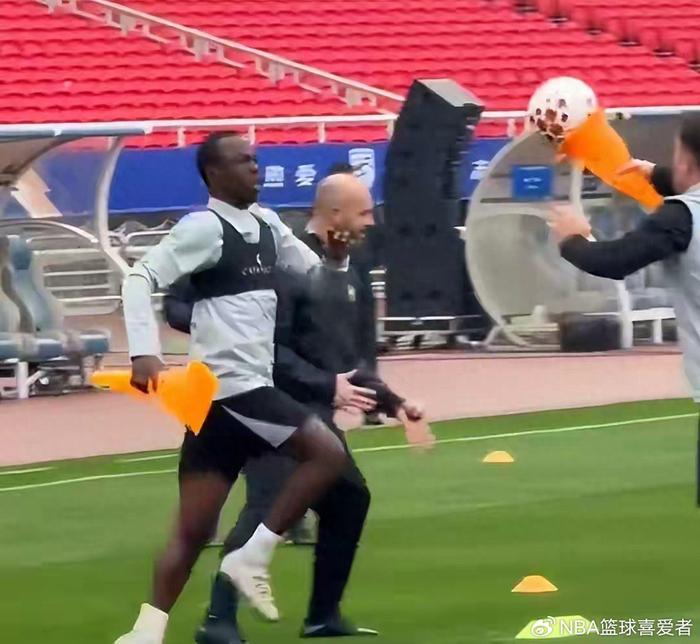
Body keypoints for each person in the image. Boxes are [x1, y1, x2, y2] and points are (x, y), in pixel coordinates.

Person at [115, 132, 355, 644]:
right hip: (235, 390)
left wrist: (337, 259)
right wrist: (143, 351)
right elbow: (139, 277)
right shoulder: (204, 228)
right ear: (214, 174)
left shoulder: (268, 225)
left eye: (255, 159)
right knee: (327, 455)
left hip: (220, 402)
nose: (254, 167)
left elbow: (314, 277)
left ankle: (145, 632)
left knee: (193, 530)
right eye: (242, 161)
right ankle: (252, 557)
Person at [192, 173, 433, 643]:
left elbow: (350, 362)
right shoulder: (286, 270)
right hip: (270, 409)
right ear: (334, 215)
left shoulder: (350, 274)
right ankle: (217, 620)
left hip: (314, 416)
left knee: (348, 501)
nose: (371, 222)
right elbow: (268, 350)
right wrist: (326, 384)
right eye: (364, 213)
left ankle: (322, 616)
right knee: (268, 506)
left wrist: (396, 404)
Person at [550, 112, 700, 497]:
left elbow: (615, 261)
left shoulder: (680, 217)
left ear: (686, 162)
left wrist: (572, 240)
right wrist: (658, 175)